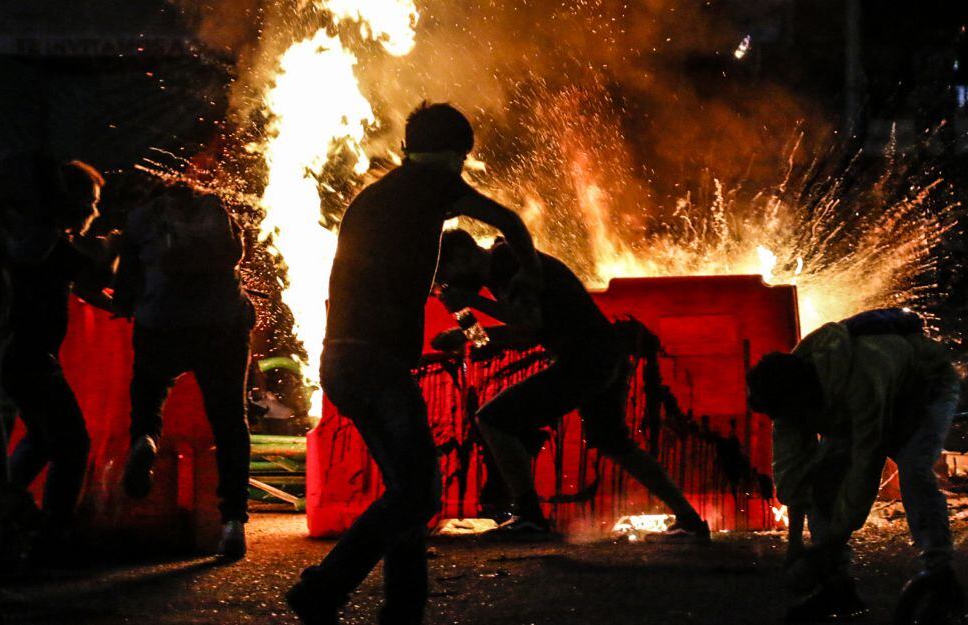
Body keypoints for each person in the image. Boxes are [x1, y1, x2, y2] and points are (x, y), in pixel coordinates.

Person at [285, 102, 542, 625]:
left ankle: (403, 609)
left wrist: (471, 333)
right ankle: (322, 588)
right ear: (455, 156)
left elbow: (449, 297)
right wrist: (531, 282)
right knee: (418, 491)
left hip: (343, 360)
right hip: (374, 363)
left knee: (406, 489)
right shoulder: (431, 185)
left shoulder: (381, 198)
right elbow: (508, 220)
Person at [430, 229, 711, 541]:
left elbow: (528, 326)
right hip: (602, 355)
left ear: (463, 255)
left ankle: (529, 516)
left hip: (585, 358)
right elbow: (512, 337)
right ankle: (689, 519)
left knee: (493, 419)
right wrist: (463, 322)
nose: (448, 280)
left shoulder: (508, 259)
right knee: (612, 440)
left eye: (446, 272)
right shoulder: (497, 275)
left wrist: (469, 302)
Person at [746, 308, 962, 623]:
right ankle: (838, 588)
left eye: (796, 414)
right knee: (823, 479)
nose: (795, 422)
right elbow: (794, 471)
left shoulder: (862, 379)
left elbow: (866, 466)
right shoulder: (786, 398)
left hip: (925, 388)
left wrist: (821, 553)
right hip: (852, 404)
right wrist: (794, 545)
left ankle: (940, 575)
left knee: (914, 471)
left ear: (806, 398)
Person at [113, 185, 255, 560]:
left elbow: (126, 283)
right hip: (222, 325)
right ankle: (233, 524)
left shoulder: (142, 219)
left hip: (162, 324)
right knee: (229, 421)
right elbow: (239, 255)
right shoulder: (218, 212)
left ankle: (145, 438)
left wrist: (128, 303)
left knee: (149, 387)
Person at [0, 152, 109, 559]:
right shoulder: (45, 237)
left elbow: (90, 287)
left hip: (20, 358)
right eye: (88, 199)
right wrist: (124, 248)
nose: (94, 209)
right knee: (71, 443)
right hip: (28, 358)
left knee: (40, 438)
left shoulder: (48, 240)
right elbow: (99, 278)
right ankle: (48, 537)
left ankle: (3, 524)